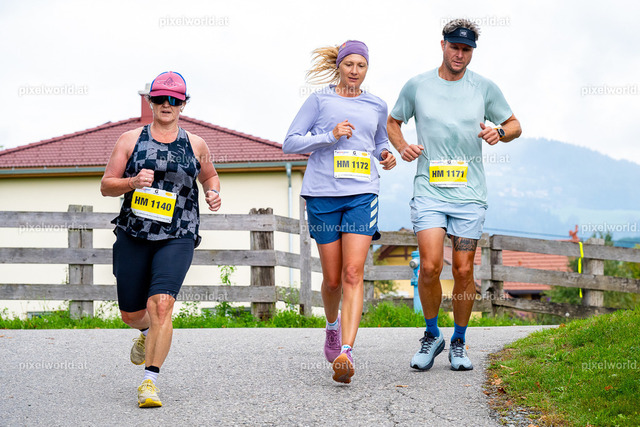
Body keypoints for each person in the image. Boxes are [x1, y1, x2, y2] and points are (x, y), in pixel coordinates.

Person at [387, 19, 522, 371]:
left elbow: (514, 125)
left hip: (469, 195)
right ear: (442, 45)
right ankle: (432, 335)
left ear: (472, 51)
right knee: (430, 266)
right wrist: (402, 147)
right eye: (454, 47)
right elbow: (393, 121)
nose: (459, 55)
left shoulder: (484, 88)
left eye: (466, 50)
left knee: (463, 270)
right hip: (429, 191)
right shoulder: (417, 86)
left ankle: (459, 341)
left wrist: (498, 132)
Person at [100, 71, 221, 407]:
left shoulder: (196, 144)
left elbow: (210, 176)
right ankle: (144, 332)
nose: (167, 104)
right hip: (134, 232)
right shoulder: (129, 140)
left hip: (178, 232)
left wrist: (212, 192)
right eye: (160, 98)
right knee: (131, 313)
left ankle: (149, 382)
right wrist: (131, 182)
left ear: (183, 104)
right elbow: (106, 185)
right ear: (150, 101)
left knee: (162, 304)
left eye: (175, 99)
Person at [283, 40, 396, 384]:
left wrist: (385, 155)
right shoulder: (319, 100)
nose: (355, 71)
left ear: (367, 69)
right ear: (339, 66)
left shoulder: (377, 104)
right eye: (349, 64)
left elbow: (378, 142)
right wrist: (329, 136)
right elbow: (290, 142)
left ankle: (347, 350)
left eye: (361, 65)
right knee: (332, 280)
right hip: (322, 194)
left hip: (362, 193)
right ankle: (332, 327)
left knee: (352, 272)